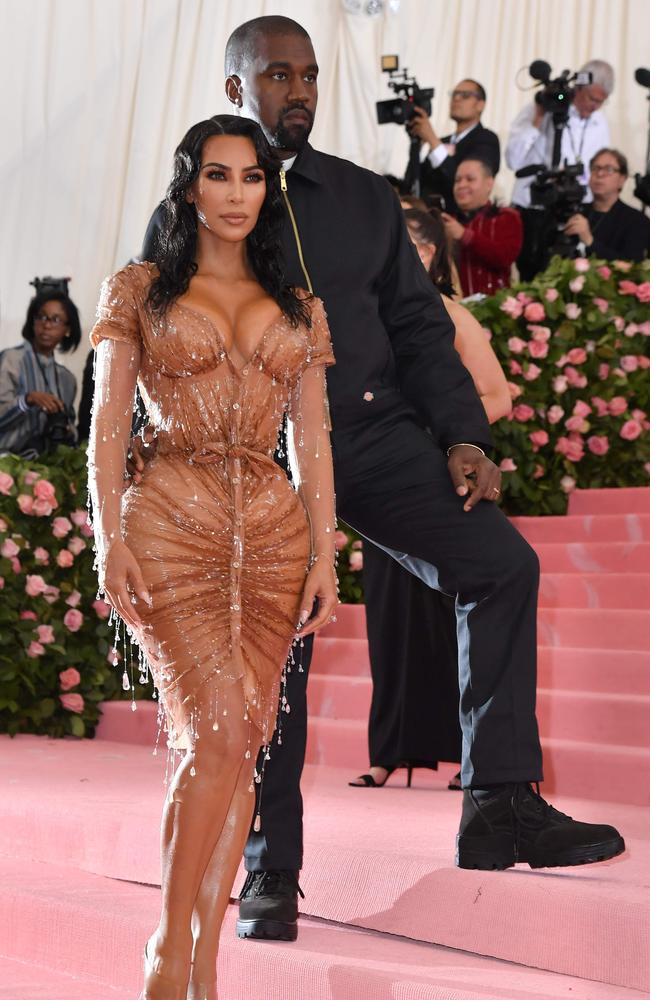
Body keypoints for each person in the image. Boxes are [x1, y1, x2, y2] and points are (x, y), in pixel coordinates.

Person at [136, 16, 624, 947]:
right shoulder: (202, 202)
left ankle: (498, 804)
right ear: (236, 89)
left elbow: (419, 327)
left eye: (310, 75)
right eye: (278, 76)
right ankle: (269, 867)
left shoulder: (364, 198)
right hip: (264, 462)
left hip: (375, 434)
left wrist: (463, 437)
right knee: (280, 656)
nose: (300, 90)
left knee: (499, 567)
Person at [88, 114, 338, 1000]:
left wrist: (325, 552)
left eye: (254, 178)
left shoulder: (300, 306)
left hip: (273, 539)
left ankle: (205, 960)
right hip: (167, 523)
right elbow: (109, 425)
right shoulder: (142, 288)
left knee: (242, 747)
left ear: (269, 191)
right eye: (220, 176)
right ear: (190, 183)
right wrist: (107, 534)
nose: (237, 195)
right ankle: (167, 945)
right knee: (220, 732)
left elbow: (311, 438)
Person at [351, 207, 512, 791]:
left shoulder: (450, 314)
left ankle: (472, 756)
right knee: (388, 625)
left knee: (453, 624)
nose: (408, 251)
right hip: (385, 482)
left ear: (435, 255)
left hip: (442, 481)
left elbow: (498, 395)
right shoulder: (364, 312)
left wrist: (444, 437)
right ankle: (387, 751)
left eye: (419, 243)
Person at [506, 60, 614, 279]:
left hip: (573, 208)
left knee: (570, 277)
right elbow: (512, 160)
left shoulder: (599, 122)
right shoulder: (543, 109)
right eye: (591, 99)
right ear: (578, 89)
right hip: (533, 206)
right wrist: (537, 118)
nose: (594, 107)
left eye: (600, 102)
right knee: (531, 274)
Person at [0, 281, 79, 457]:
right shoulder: (11, 360)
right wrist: (28, 400)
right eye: (41, 317)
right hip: (5, 464)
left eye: (56, 319)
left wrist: (66, 430)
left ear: (68, 329)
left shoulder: (67, 379)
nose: (47, 325)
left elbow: (71, 431)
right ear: (32, 320)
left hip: (46, 468)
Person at [408, 79, 500, 214]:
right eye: (454, 94)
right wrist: (415, 147)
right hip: (429, 218)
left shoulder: (486, 138)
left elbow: (462, 179)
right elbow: (414, 182)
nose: (456, 99)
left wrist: (432, 140)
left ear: (480, 105)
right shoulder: (441, 141)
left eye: (465, 95)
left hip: (462, 221)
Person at [442, 159, 523, 296]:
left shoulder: (506, 217)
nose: (461, 185)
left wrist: (464, 235)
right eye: (457, 180)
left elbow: (504, 257)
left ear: (489, 183)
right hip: (454, 309)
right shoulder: (448, 222)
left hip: (495, 308)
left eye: (470, 179)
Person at [564, 148, 650, 261]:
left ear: (622, 179)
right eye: (595, 168)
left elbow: (632, 267)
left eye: (609, 169)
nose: (599, 174)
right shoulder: (576, 211)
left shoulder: (637, 221)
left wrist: (590, 241)